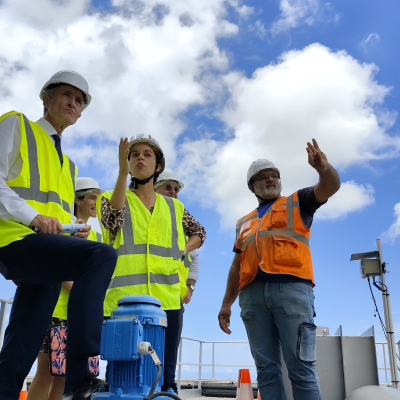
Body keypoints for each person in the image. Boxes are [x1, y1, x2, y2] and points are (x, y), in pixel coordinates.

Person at [0, 71, 117, 400]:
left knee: (23, 340)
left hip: (42, 252)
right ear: (46, 99)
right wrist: (34, 217)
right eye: (66, 95)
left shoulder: (68, 165)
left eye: (79, 101)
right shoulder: (16, 125)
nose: (73, 103)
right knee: (101, 255)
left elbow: (55, 210)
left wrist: (73, 227)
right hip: (11, 238)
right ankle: (80, 374)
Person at [218, 139, 341, 400]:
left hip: (292, 292)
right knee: (266, 370)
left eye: (274, 175)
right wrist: (227, 304)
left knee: (301, 368)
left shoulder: (299, 201)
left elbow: (330, 186)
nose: (271, 180)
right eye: (263, 177)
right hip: (252, 298)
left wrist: (322, 167)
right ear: (252, 186)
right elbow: (236, 265)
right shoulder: (243, 222)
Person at [98, 135, 206, 394]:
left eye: (147, 154)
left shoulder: (174, 207)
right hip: (124, 303)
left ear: (158, 166)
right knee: (122, 377)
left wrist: (183, 248)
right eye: (134, 155)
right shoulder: (111, 197)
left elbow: (199, 233)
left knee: (165, 379)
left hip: (166, 300)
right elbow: (112, 220)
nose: (140, 158)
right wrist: (122, 175)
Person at [27, 177, 104, 400]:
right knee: (47, 373)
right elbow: (63, 274)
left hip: (81, 316)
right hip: (57, 312)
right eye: (92, 197)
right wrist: (90, 296)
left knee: (69, 377)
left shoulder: (96, 236)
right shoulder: (64, 225)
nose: (96, 203)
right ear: (77, 200)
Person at [154, 168, 199, 305]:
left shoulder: (181, 225)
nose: (173, 192)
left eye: (176, 189)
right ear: (154, 189)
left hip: (174, 296)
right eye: (168, 187)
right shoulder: (146, 216)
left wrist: (190, 287)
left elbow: (194, 259)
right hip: (147, 291)